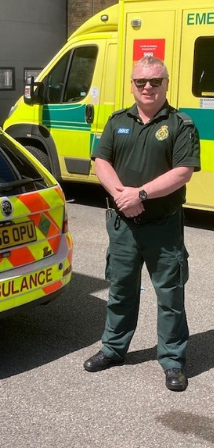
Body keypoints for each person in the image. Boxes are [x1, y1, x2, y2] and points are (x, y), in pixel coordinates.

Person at [84, 55, 199, 392]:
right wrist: (122, 195)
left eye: (155, 81)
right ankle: (113, 349)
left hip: (162, 225)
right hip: (122, 227)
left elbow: (183, 171)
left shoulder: (180, 124)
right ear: (132, 85)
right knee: (120, 290)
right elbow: (101, 160)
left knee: (170, 296)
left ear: (166, 84)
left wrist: (141, 195)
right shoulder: (117, 120)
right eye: (140, 82)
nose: (147, 87)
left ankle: (173, 361)